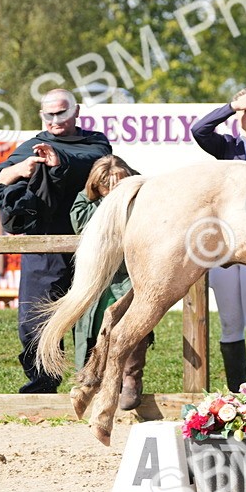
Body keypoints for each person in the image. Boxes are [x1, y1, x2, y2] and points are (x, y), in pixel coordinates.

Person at [0, 89, 111, 394]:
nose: (55, 119)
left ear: (76, 111)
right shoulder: (31, 146)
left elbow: (97, 161)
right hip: (43, 246)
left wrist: (59, 159)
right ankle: (42, 383)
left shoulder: (95, 142)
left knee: (92, 316)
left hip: (90, 244)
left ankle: (92, 383)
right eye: (49, 114)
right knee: (33, 318)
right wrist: (15, 170)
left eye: (62, 112)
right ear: (42, 115)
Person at [190, 88, 246, 393]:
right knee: (229, 323)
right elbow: (199, 130)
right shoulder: (226, 146)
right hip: (226, 246)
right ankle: (236, 397)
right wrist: (231, 106)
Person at [71, 154, 150, 410]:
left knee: (133, 324)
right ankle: (94, 381)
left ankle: (130, 380)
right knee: (93, 327)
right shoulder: (85, 201)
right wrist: (111, 202)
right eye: (107, 185)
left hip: (130, 272)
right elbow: (80, 222)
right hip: (100, 274)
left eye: (119, 183)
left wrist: (125, 194)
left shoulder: (143, 196)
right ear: (98, 185)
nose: (114, 189)